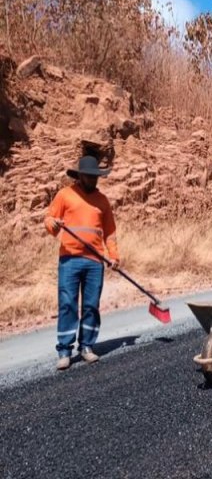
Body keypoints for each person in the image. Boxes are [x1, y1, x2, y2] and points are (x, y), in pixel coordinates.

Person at [44, 155, 120, 370]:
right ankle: (65, 351)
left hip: (95, 261)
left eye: (96, 176)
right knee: (68, 304)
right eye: (89, 176)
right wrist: (55, 225)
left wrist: (114, 256)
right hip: (69, 258)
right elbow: (48, 220)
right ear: (80, 176)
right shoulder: (65, 195)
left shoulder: (102, 201)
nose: (93, 180)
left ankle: (86, 346)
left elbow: (110, 233)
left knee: (91, 305)